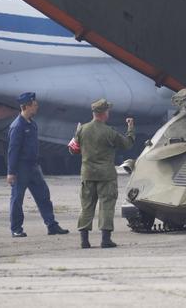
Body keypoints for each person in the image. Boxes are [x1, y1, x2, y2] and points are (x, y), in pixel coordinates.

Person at [74, 99, 135, 248]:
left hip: (87, 174)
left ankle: (84, 240)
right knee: (106, 205)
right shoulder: (109, 132)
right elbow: (127, 144)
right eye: (107, 111)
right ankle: (105, 239)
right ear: (104, 113)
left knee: (86, 206)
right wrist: (131, 127)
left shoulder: (82, 129)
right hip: (106, 175)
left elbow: (73, 149)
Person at [7, 92, 69, 237]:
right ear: (26, 106)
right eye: (34, 105)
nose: (37, 107)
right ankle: (16, 229)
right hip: (21, 168)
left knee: (43, 196)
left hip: (34, 167)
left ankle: (52, 225)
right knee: (17, 199)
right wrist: (11, 172)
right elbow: (12, 150)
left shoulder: (32, 124)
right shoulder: (17, 126)